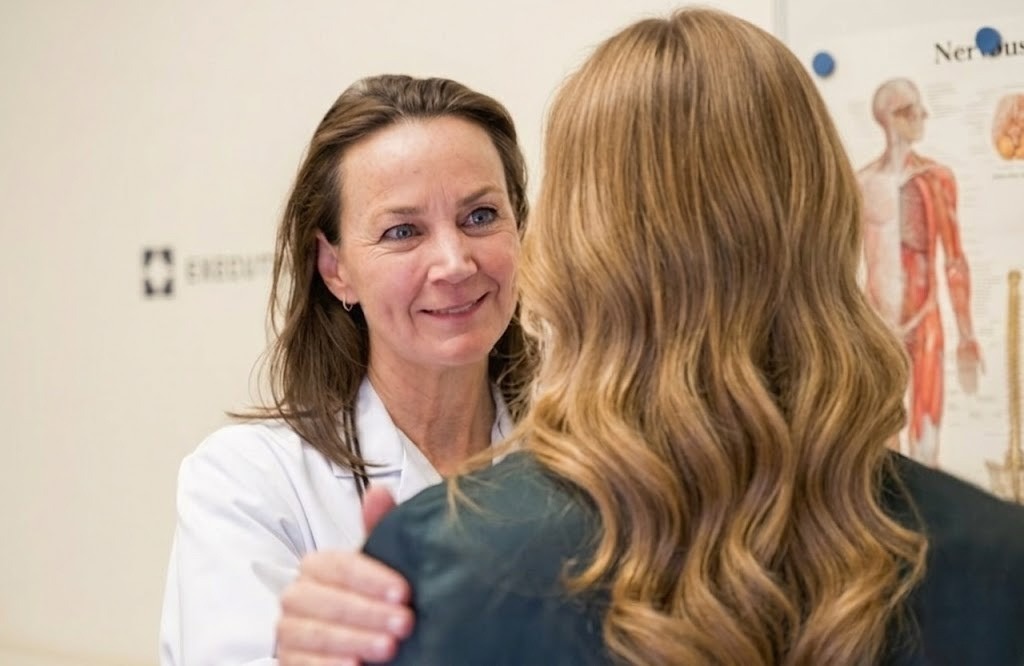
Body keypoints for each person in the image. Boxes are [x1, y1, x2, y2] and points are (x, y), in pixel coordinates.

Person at [361, 9, 1024, 665]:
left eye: (480, 216)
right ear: (829, 217)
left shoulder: (439, 567)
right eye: (402, 231)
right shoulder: (1000, 560)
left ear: (568, 248)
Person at [158, 74, 531, 665]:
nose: (455, 263)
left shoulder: (596, 456)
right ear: (335, 269)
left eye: (481, 216)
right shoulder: (249, 483)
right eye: (402, 231)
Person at [857, 77, 983, 467]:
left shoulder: (936, 179)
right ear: (890, 117)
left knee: (926, 445)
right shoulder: (862, 183)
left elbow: (954, 259)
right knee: (884, 444)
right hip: (878, 325)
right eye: (911, 110)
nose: (923, 115)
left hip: (924, 319)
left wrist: (966, 335)